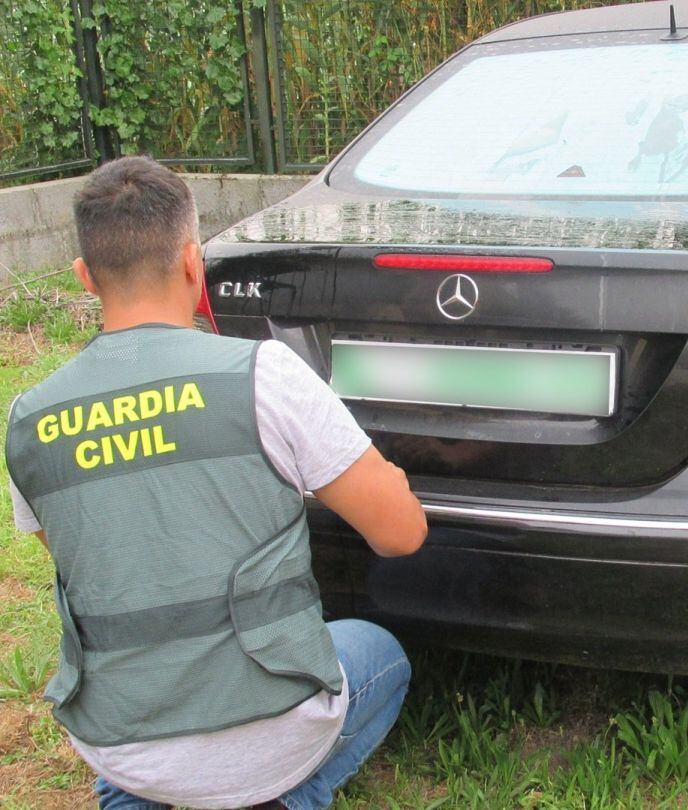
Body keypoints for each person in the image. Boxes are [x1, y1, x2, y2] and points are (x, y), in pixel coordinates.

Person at [4, 155, 428, 809]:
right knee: (379, 653)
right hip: (273, 734)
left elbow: (88, 564)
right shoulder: (265, 375)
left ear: (85, 277)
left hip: (125, 742)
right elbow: (401, 533)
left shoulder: (29, 421)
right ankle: (287, 795)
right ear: (192, 263)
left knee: (136, 749)